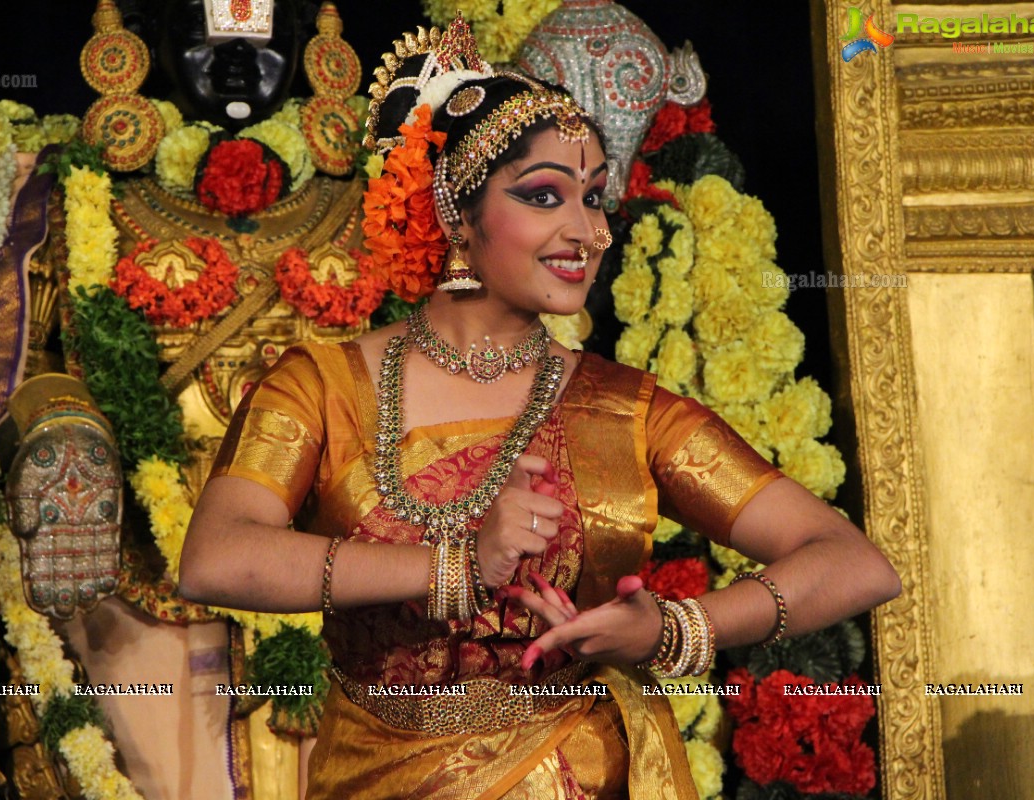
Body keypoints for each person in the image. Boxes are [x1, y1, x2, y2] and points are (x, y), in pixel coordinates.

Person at [179, 16, 901, 799]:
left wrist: (675, 628)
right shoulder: (323, 385)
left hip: (576, 771)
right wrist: (451, 567)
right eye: (544, 195)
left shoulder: (626, 409)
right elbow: (216, 557)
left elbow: (854, 563)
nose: (588, 231)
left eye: (594, 199)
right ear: (457, 215)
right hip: (375, 770)